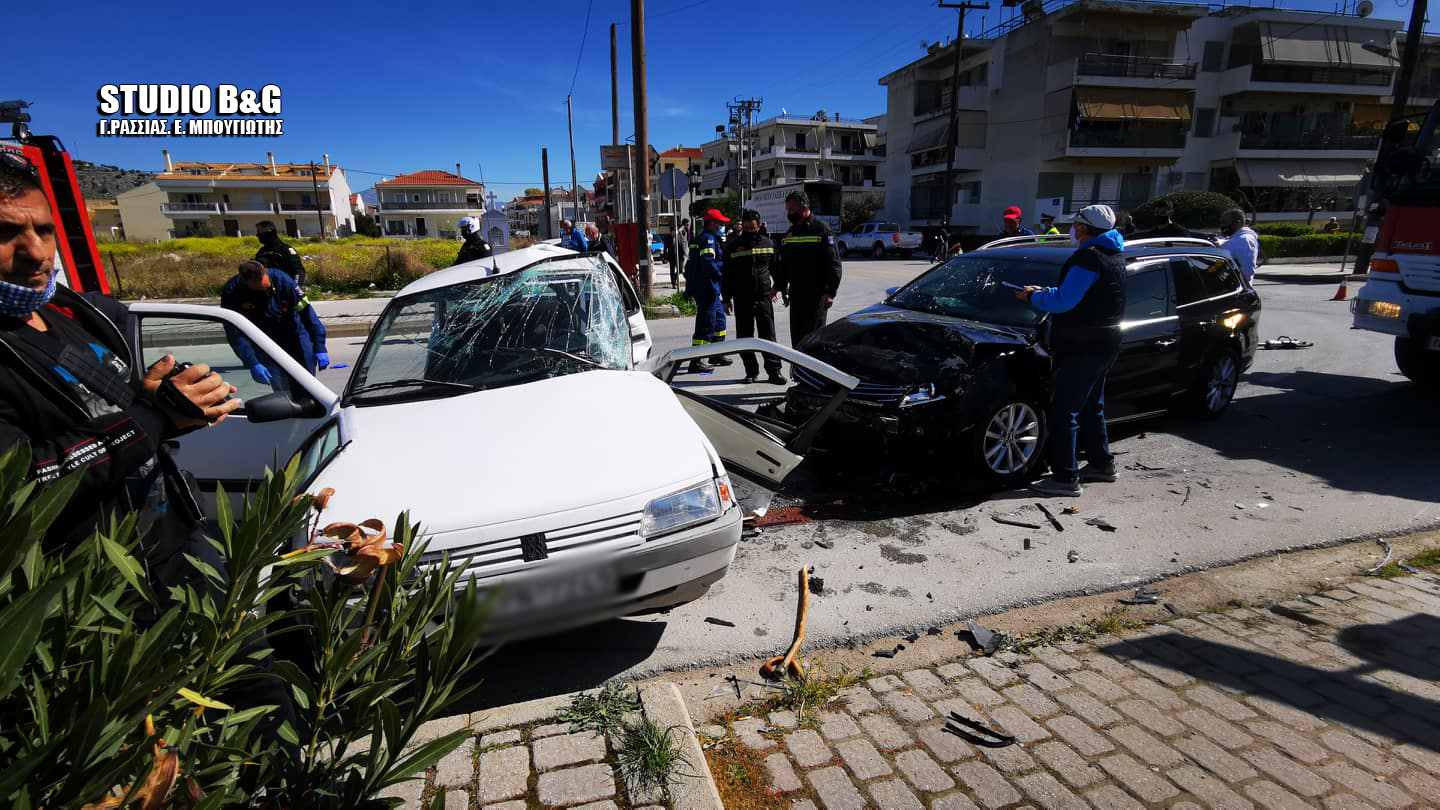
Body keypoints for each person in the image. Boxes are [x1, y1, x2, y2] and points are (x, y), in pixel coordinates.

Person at [0, 153, 299, 741]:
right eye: (7, 234)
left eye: (43, 231)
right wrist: (152, 418)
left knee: (260, 693)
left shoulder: (73, 315)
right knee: (166, 740)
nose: (35, 252)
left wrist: (174, 401)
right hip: (92, 597)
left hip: (179, 549)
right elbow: (26, 483)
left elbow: (126, 410)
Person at [1015, 204, 1127, 498]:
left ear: (1083, 229)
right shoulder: (1113, 255)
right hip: (1106, 343)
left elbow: (1064, 302)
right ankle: (1102, 464)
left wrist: (1032, 297)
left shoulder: (1088, 258)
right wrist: (1045, 292)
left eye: (1075, 226)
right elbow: (1080, 295)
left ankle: (1065, 477)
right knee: (1092, 407)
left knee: (1064, 411)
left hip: (1084, 347)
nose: (1071, 231)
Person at [221, 260, 330, 387]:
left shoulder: (283, 281)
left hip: (294, 333)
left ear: (265, 273)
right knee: (280, 386)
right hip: (264, 340)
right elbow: (235, 332)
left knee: (308, 382)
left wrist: (319, 346)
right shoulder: (232, 292)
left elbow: (307, 314)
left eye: (266, 283)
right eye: (259, 286)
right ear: (246, 282)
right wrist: (252, 362)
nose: (265, 287)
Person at [723, 209, 785, 385]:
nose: (751, 231)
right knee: (745, 338)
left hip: (763, 297)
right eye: (747, 227)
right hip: (742, 299)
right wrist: (726, 299)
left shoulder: (768, 243)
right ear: (742, 225)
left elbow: (777, 269)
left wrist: (778, 288)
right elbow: (727, 274)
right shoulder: (733, 246)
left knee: (769, 337)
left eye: (754, 228)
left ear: (759, 226)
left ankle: (774, 372)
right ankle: (751, 371)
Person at [774, 191, 842, 347]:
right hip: (797, 295)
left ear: (803, 207)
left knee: (814, 340)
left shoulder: (823, 231)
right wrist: (780, 288)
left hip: (816, 297)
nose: (788, 213)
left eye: (791, 209)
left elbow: (834, 264)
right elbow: (785, 264)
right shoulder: (791, 233)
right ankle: (798, 370)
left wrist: (830, 293)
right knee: (797, 341)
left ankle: (813, 371)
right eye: (787, 209)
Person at [684, 209, 732, 373]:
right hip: (707, 288)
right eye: (719, 223)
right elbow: (708, 264)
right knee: (706, 324)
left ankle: (716, 354)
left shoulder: (709, 238)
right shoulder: (708, 239)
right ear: (712, 223)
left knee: (719, 321)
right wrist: (722, 271)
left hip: (712, 288)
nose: (721, 226)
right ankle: (696, 360)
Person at [254, 220, 307, 288]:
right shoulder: (261, 252)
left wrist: (296, 287)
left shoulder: (285, 250)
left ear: (269, 232)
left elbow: (299, 271)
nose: (257, 235)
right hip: (266, 290)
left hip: (284, 289)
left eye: (259, 232)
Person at [1218, 208, 1259, 283]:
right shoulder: (1235, 238)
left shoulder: (1244, 240)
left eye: (1225, 222)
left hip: (1234, 288)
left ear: (1238, 223)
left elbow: (1247, 270)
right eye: (1221, 223)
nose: (1222, 226)